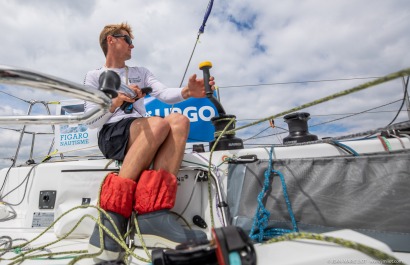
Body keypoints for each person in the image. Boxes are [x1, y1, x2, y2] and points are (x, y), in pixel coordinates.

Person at [84, 22, 214, 261]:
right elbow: (91, 121)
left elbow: (164, 94)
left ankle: (153, 216)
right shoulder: (95, 76)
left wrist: (187, 92)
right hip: (112, 133)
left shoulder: (141, 72)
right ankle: (111, 217)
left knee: (179, 120)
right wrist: (115, 101)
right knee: (158, 123)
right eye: (127, 39)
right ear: (111, 40)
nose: (133, 45)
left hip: (143, 130)